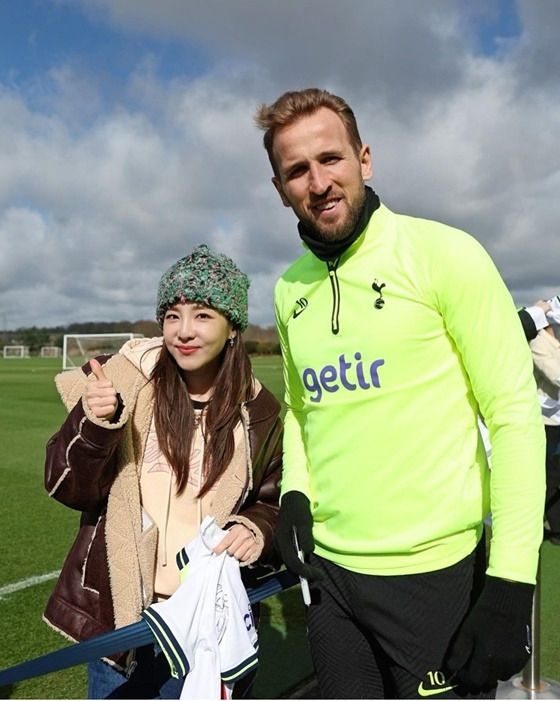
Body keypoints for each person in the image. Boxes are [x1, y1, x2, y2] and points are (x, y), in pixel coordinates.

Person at [254, 88, 545, 699]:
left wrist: (512, 584)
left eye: (330, 159)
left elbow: (515, 418)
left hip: (433, 578)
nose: (318, 182)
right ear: (281, 189)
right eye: (297, 171)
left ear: (365, 159)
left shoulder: (447, 254)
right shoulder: (288, 290)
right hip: (331, 579)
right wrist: (298, 493)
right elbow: (305, 409)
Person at [43, 244, 283, 699]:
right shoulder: (125, 385)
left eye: (202, 315)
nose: (183, 331)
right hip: (125, 621)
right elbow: (66, 486)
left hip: (204, 620)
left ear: (233, 327)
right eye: (172, 316)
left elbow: (275, 496)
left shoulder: (260, 410)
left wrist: (255, 527)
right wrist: (96, 424)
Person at [519, 298, 560, 545]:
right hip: (548, 423)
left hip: (556, 420)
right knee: (550, 477)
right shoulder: (538, 340)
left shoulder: (552, 340)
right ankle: (554, 530)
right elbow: (557, 376)